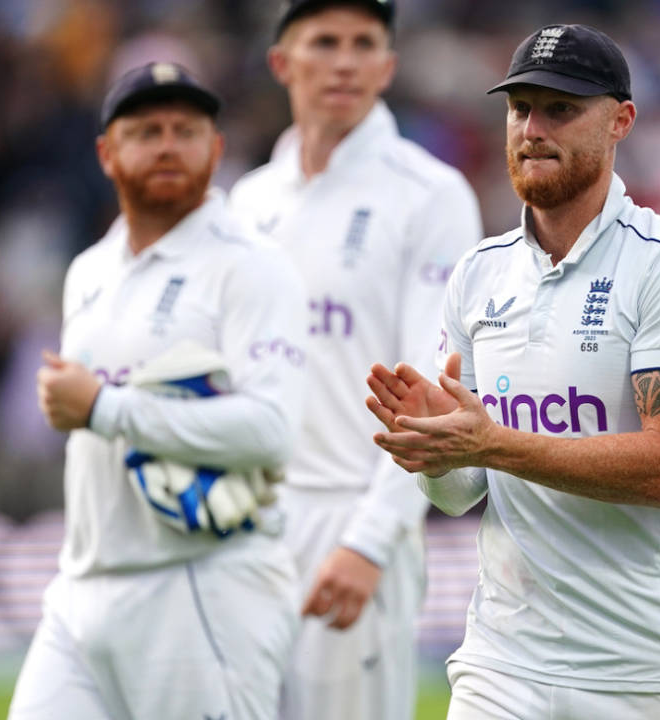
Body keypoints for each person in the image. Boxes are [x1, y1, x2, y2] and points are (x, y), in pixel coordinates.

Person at [366, 23, 660, 719]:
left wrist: (491, 443)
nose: (533, 129)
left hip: (650, 672)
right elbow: (460, 495)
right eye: (520, 109)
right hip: (504, 664)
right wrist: (434, 449)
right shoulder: (479, 274)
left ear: (621, 121)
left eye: (561, 109)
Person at [10, 62, 308, 719]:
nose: (169, 144)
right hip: (82, 589)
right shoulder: (89, 271)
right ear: (106, 154)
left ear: (217, 148)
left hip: (202, 587)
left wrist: (105, 407)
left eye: (186, 129)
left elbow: (273, 430)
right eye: (147, 131)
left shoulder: (253, 266)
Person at [229, 1, 482, 718]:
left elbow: (429, 387)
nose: (345, 61)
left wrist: (371, 540)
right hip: (246, 532)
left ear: (388, 66)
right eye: (325, 42)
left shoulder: (429, 194)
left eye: (364, 43)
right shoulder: (248, 203)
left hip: (352, 518)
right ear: (282, 62)